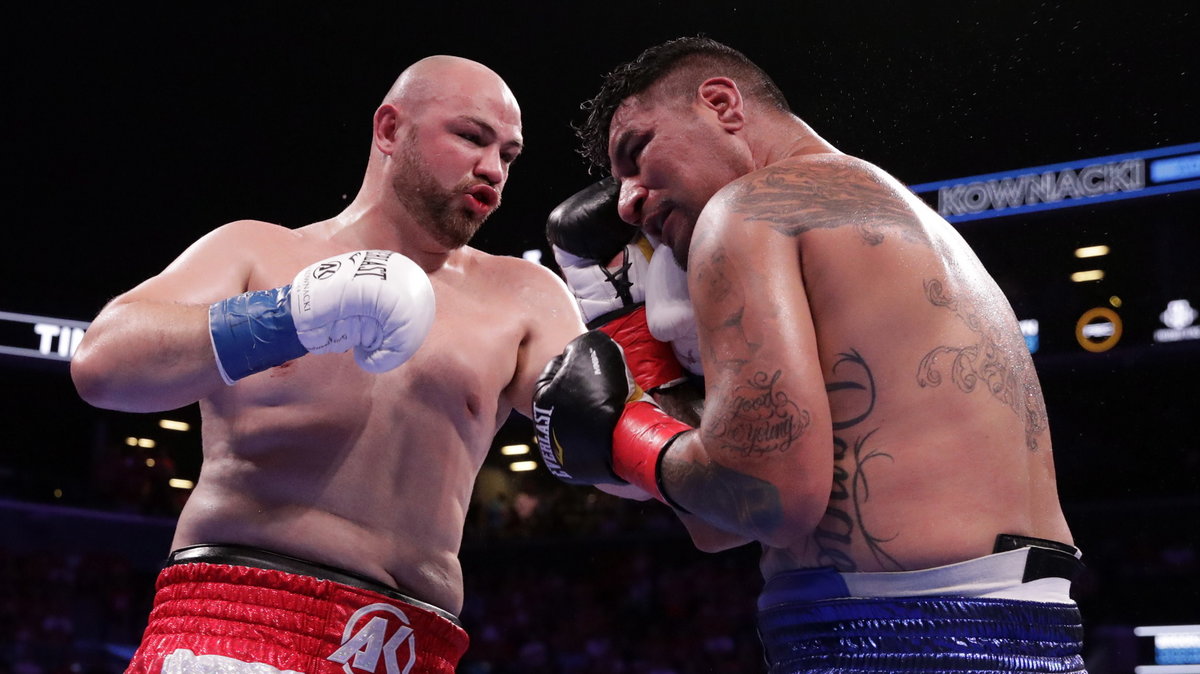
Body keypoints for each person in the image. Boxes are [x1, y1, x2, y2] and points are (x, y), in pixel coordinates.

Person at [534, 37, 1087, 673]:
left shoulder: (747, 212)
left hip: (901, 635)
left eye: (637, 153)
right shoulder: (883, 211)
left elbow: (766, 496)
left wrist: (621, 433)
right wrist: (638, 341)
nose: (626, 200)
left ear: (721, 104)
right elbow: (723, 524)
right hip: (1007, 627)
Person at [70, 55, 586, 674]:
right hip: (234, 627)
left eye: (509, 154)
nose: (493, 170)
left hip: (413, 649)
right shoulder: (259, 251)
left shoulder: (524, 296)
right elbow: (103, 365)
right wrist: (295, 316)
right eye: (472, 137)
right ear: (390, 130)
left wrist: (642, 340)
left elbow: (612, 449)